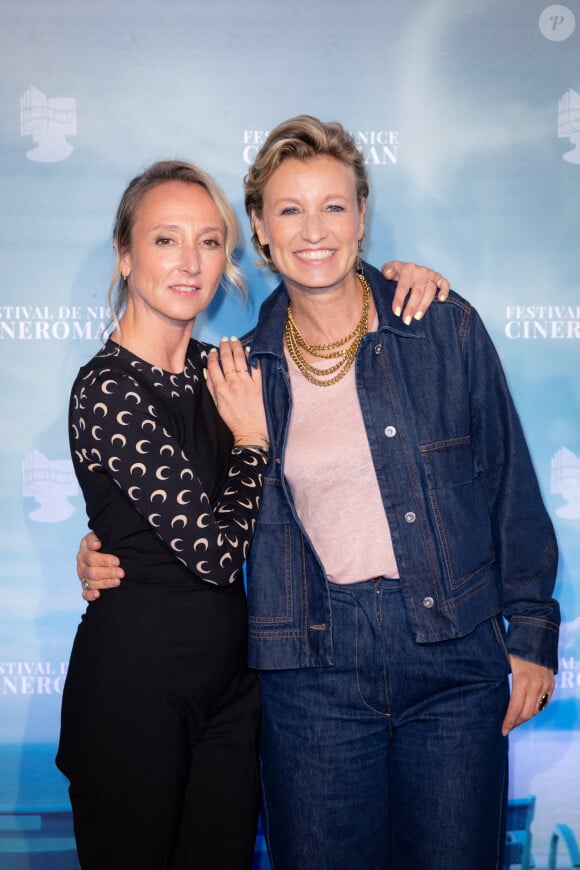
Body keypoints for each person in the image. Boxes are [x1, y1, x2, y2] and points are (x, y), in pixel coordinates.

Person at [75, 114, 560, 870]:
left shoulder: (440, 326)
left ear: (362, 216)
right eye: (290, 210)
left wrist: (530, 632)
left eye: (334, 206)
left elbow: (507, 483)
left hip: (450, 657)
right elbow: (175, 507)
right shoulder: (240, 372)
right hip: (311, 670)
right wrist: (106, 548)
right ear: (263, 233)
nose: (315, 230)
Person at [56, 160, 272, 870]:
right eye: (165, 240)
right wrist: (251, 445)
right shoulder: (106, 388)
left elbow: (326, 328)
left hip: (231, 688)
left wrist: (396, 280)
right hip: (134, 688)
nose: (190, 262)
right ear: (125, 254)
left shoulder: (226, 371)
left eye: (210, 242)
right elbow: (213, 554)